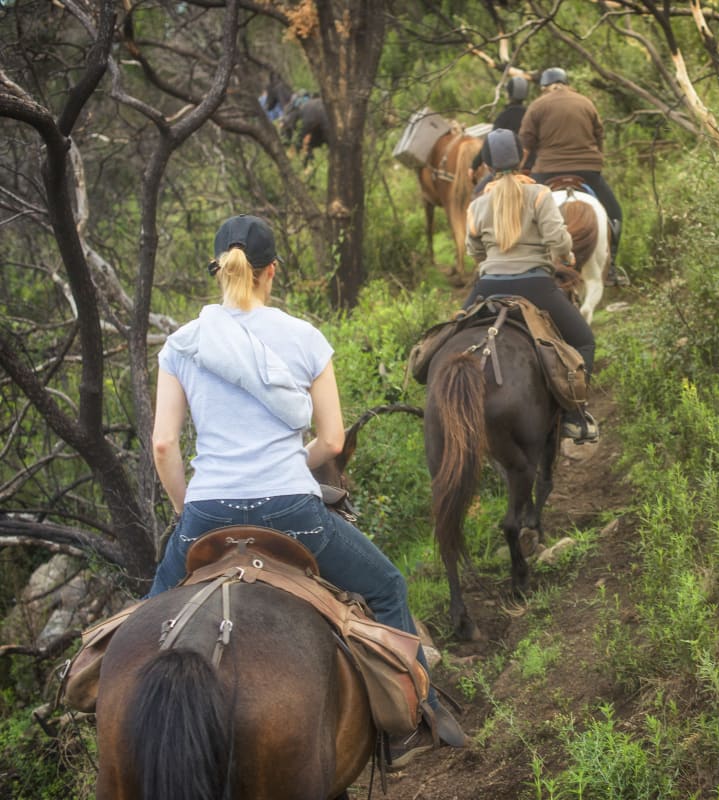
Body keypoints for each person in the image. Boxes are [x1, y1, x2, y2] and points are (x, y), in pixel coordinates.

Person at [149, 214, 465, 764]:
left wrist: (188, 515)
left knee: (145, 625)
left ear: (217, 270)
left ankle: (111, 710)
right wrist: (295, 461)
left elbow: (163, 446)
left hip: (208, 512)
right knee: (388, 586)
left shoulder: (183, 344)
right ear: (273, 271)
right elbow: (334, 440)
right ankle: (412, 722)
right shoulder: (305, 339)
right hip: (293, 510)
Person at [464, 129, 599, 443]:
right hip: (537, 286)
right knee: (584, 342)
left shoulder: (478, 204)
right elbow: (557, 239)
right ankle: (573, 416)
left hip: (488, 287)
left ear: (487, 164)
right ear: (521, 157)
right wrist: (565, 252)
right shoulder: (539, 194)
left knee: (445, 341)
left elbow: (474, 251)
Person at [519, 67, 627, 287]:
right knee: (615, 212)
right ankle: (612, 266)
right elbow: (599, 135)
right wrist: (597, 160)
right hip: (587, 171)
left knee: (524, 214)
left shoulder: (538, 105)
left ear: (543, 88)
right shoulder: (586, 103)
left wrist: (521, 170)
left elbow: (526, 143)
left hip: (548, 169)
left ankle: (523, 264)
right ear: (566, 83)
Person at [472, 75, 536, 192]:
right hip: (533, 168)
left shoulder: (503, 116)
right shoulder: (531, 114)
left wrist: (474, 166)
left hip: (509, 170)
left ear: (509, 94)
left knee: (477, 192)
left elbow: (491, 144)